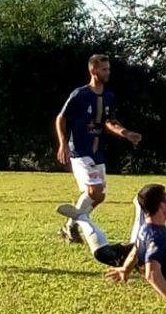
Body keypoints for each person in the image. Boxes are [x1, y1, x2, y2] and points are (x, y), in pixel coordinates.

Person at [54, 54, 141, 232]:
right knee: (95, 190)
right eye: (104, 69)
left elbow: (110, 122)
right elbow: (60, 118)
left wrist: (126, 133)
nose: (108, 72)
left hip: (97, 152)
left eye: (108, 69)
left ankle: (70, 226)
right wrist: (63, 143)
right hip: (80, 151)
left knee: (99, 196)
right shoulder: (80, 94)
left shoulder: (108, 96)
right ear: (93, 70)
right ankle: (72, 226)